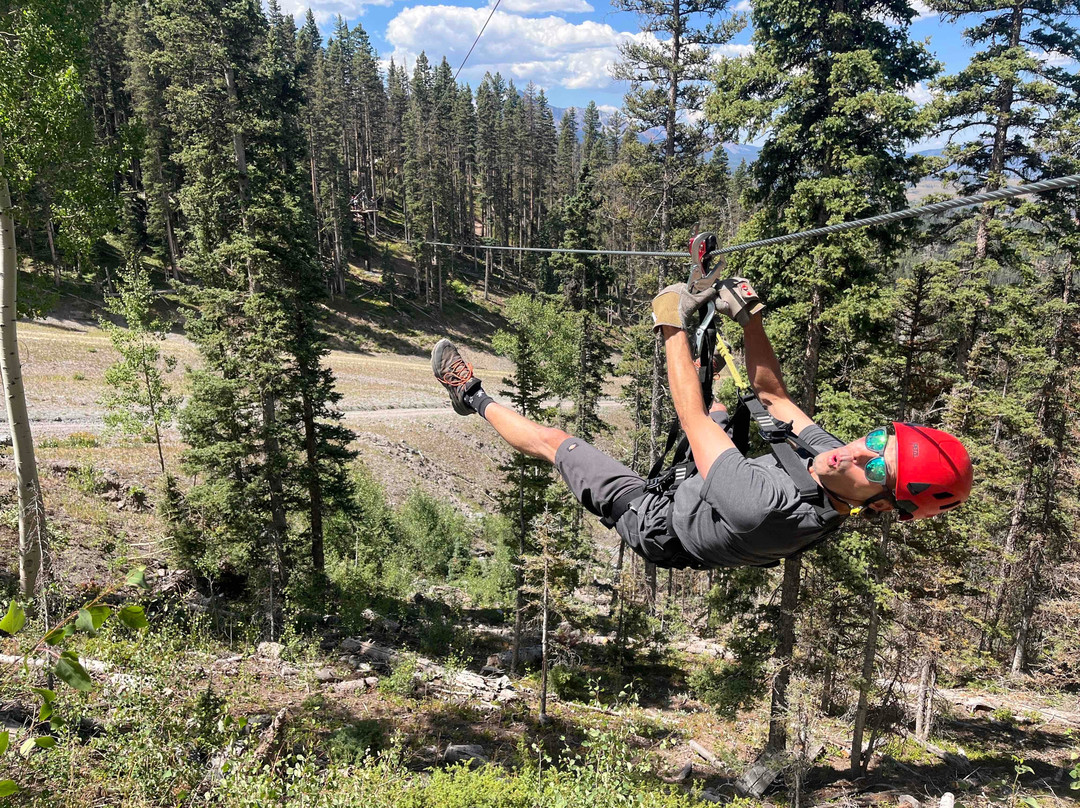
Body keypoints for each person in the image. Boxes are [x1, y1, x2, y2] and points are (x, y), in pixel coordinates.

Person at [430, 278, 973, 569]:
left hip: (658, 522)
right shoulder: (840, 469)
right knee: (717, 406)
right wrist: (749, 317)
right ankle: (704, 370)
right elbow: (773, 395)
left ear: (879, 505)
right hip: (707, 495)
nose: (857, 451)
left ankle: (469, 394)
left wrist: (669, 319)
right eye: (876, 438)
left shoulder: (767, 508)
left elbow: (689, 418)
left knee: (557, 443)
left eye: (877, 463)